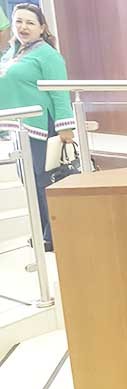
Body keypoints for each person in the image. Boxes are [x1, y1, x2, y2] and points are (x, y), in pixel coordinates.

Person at [0, 3, 75, 251]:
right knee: (29, 182)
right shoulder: (12, 53)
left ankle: (54, 235)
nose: (23, 27)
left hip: (44, 127)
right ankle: (45, 232)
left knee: (45, 181)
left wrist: (66, 128)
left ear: (42, 28)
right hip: (20, 128)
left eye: (30, 23)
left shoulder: (47, 55)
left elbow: (60, 93)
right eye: (18, 21)